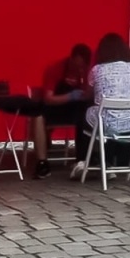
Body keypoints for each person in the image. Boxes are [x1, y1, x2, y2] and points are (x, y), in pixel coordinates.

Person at [72, 33, 130, 180]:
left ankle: (84, 160)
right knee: (103, 118)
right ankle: (107, 161)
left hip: (107, 122)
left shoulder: (97, 70)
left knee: (85, 117)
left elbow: (88, 95)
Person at [31, 44, 91, 179]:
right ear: (72, 58)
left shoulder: (88, 71)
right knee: (38, 115)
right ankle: (42, 163)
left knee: (90, 113)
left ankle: (84, 159)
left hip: (75, 109)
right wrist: (70, 96)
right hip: (55, 107)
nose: (80, 69)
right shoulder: (55, 69)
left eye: (82, 66)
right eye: (77, 65)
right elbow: (48, 98)